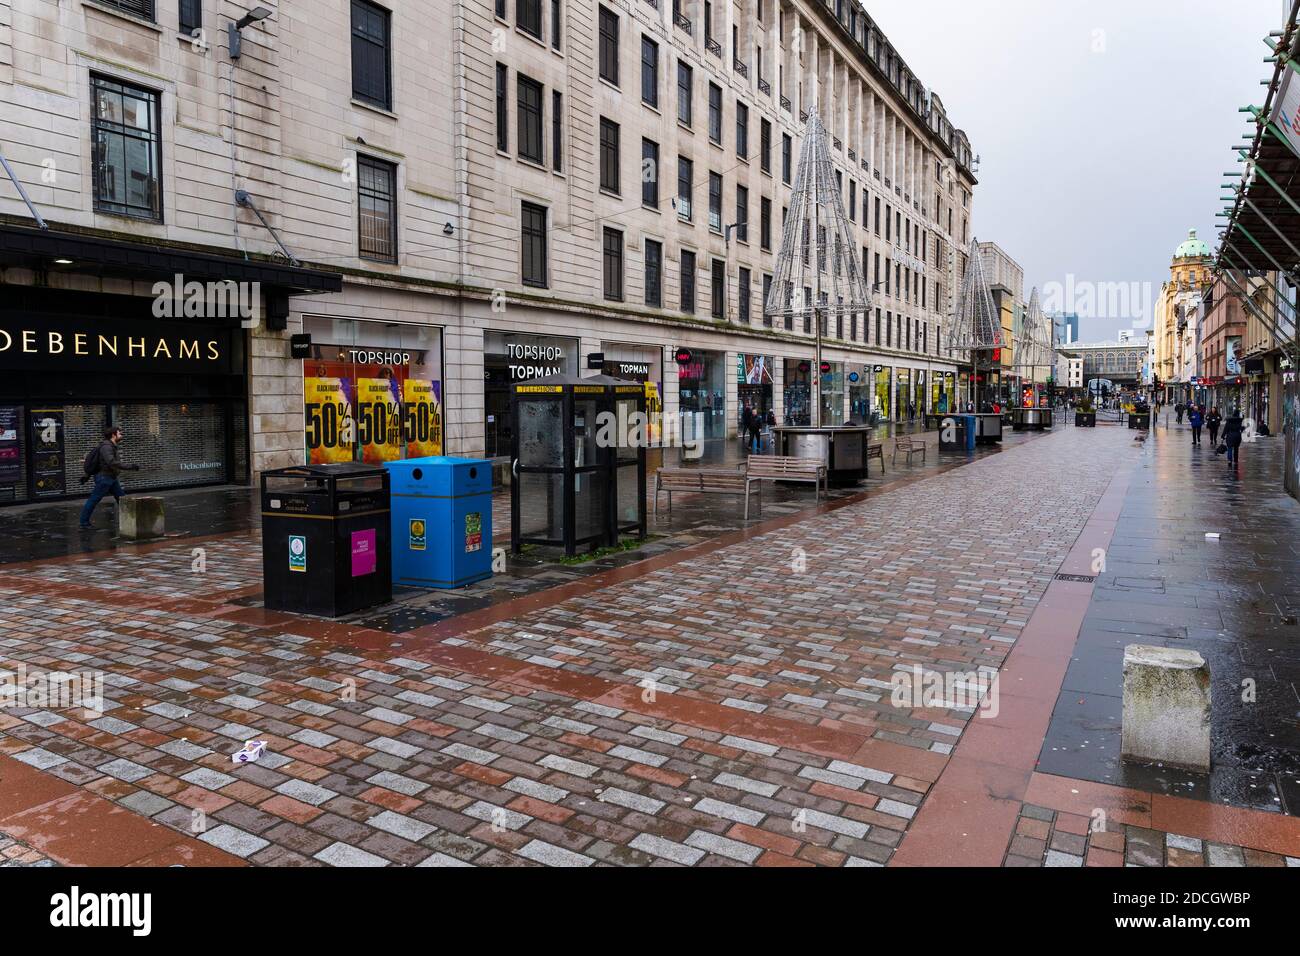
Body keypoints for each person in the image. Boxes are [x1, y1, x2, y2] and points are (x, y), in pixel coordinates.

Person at [79, 426, 140, 529]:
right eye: (119, 433)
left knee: (121, 499)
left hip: (111, 477)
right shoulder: (106, 447)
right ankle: (84, 523)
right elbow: (111, 462)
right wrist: (130, 466)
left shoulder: (110, 445)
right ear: (113, 435)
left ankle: (132, 520)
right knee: (94, 500)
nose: (121, 435)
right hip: (105, 478)